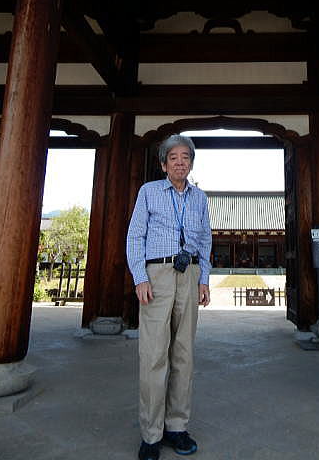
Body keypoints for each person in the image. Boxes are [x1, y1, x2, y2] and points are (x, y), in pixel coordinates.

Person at [127, 134, 211, 460]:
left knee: (184, 354)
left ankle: (177, 427)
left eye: (185, 157)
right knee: (153, 355)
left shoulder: (199, 198)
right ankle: (151, 434)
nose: (179, 162)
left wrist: (203, 279)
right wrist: (140, 277)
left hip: (189, 273)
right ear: (164, 164)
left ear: (191, 163)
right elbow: (135, 236)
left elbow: (205, 240)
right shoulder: (148, 192)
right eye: (173, 157)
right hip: (157, 275)